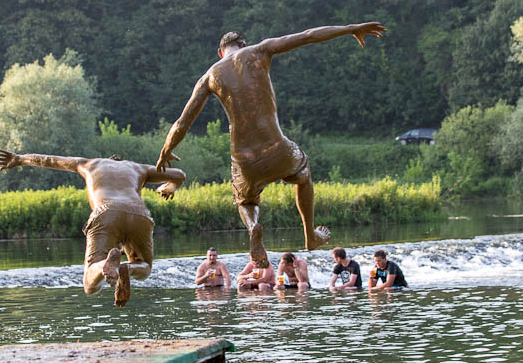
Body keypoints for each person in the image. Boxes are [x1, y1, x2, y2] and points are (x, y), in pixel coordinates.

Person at [156, 22, 385, 268]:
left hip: (244, 161)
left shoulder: (209, 77)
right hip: (278, 150)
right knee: (303, 173)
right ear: (243, 45)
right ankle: (310, 234)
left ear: (220, 52)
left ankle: (254, 227)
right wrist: (351, 28)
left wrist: (165, 152)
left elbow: (181, 124)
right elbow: (307, 35)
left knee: (246, 202)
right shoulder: (259, 50)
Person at [0, 149, 186, 307]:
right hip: (139, 213)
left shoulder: (87, 163)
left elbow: (48, 160)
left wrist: (19, 159)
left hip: (107, 211)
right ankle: (126, 267)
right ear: (121, 161)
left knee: (89, 284)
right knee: (145, 266)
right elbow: (179, 175)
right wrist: (169, 188)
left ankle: (104, 266)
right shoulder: (138, 168)